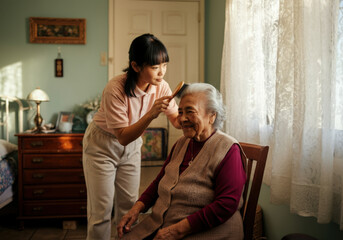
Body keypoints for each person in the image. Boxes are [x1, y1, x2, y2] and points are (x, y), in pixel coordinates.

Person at [117, 83, 247, 240]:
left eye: (190, 112)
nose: (182, 119)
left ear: (212, 115)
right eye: (180, 112)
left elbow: (226, 205)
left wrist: (177, 230)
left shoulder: (228, 149)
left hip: (206, 230)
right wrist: (136, 209)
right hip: (165, 223)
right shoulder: (182, 143)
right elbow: (160, 181)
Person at [82, 33, 180, 240]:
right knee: (101, 212)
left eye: (164, 65)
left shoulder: (162, 86)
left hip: (132, 147)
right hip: (102, 146)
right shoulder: (115, 88)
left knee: (130, 208)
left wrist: (195, 112)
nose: (161, 72)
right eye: (155, 67)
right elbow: (123, 136)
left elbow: (176, 121)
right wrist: (152, 113)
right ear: (136, 66)